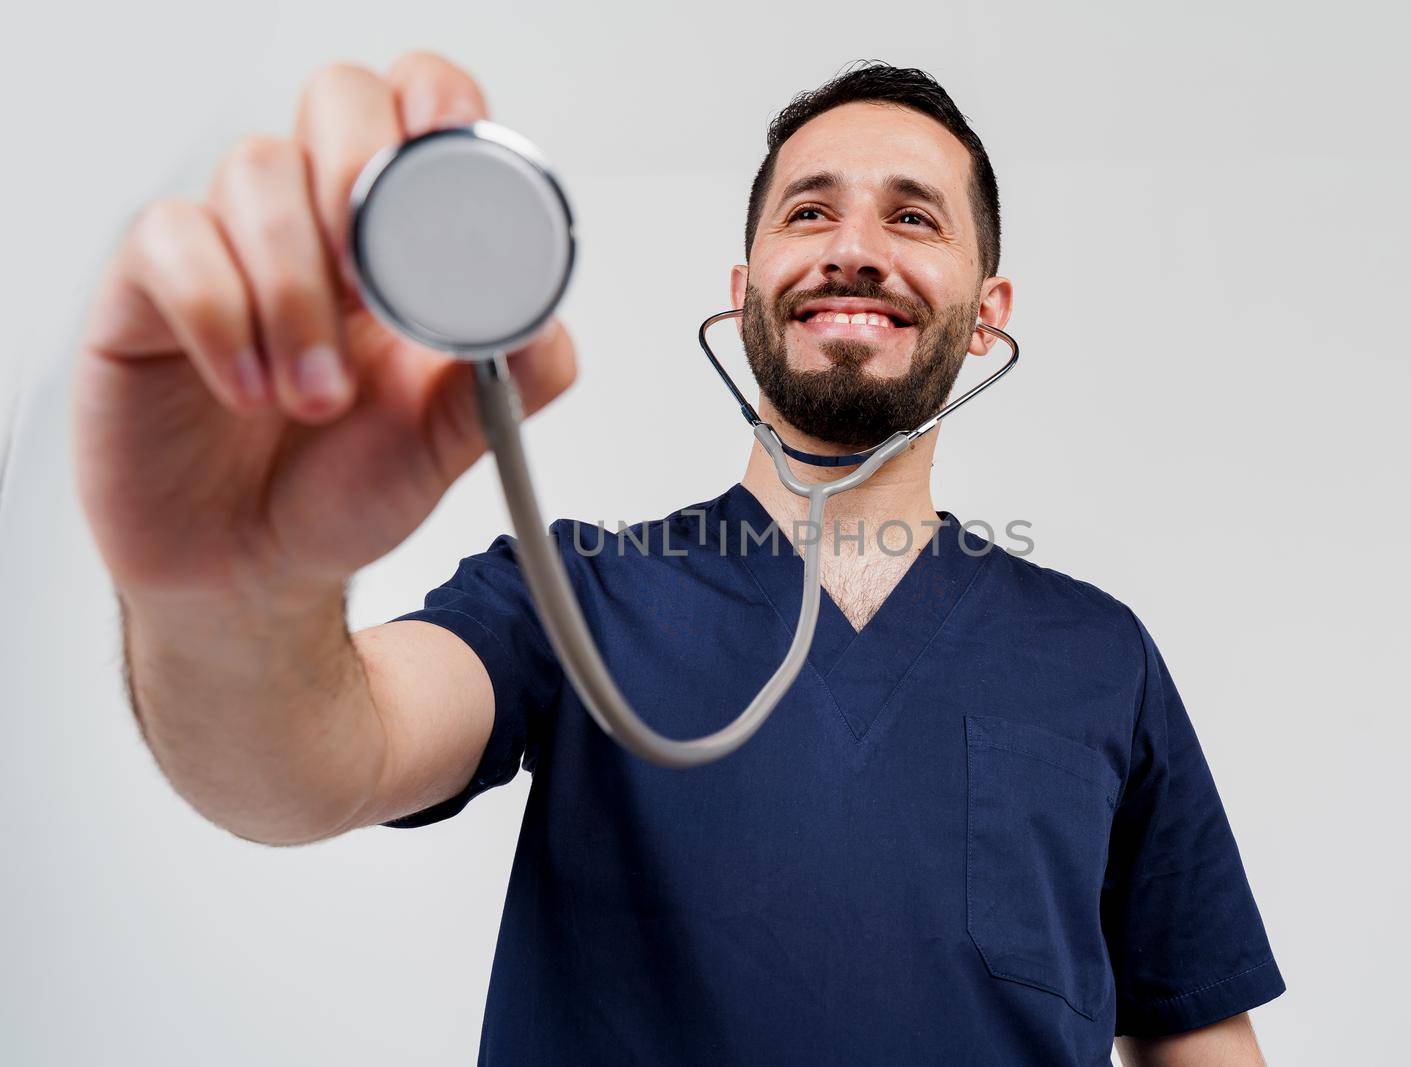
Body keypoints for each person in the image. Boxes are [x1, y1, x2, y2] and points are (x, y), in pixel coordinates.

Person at [74, 52, 1285, 1066]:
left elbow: (1196, 1035)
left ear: (986, 313)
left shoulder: (1099, 655)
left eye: (912, 216)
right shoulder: (574, 595)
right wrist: (228, 599)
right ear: (744, 287)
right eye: (808, 211)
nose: (853, 248)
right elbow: (303, 764)